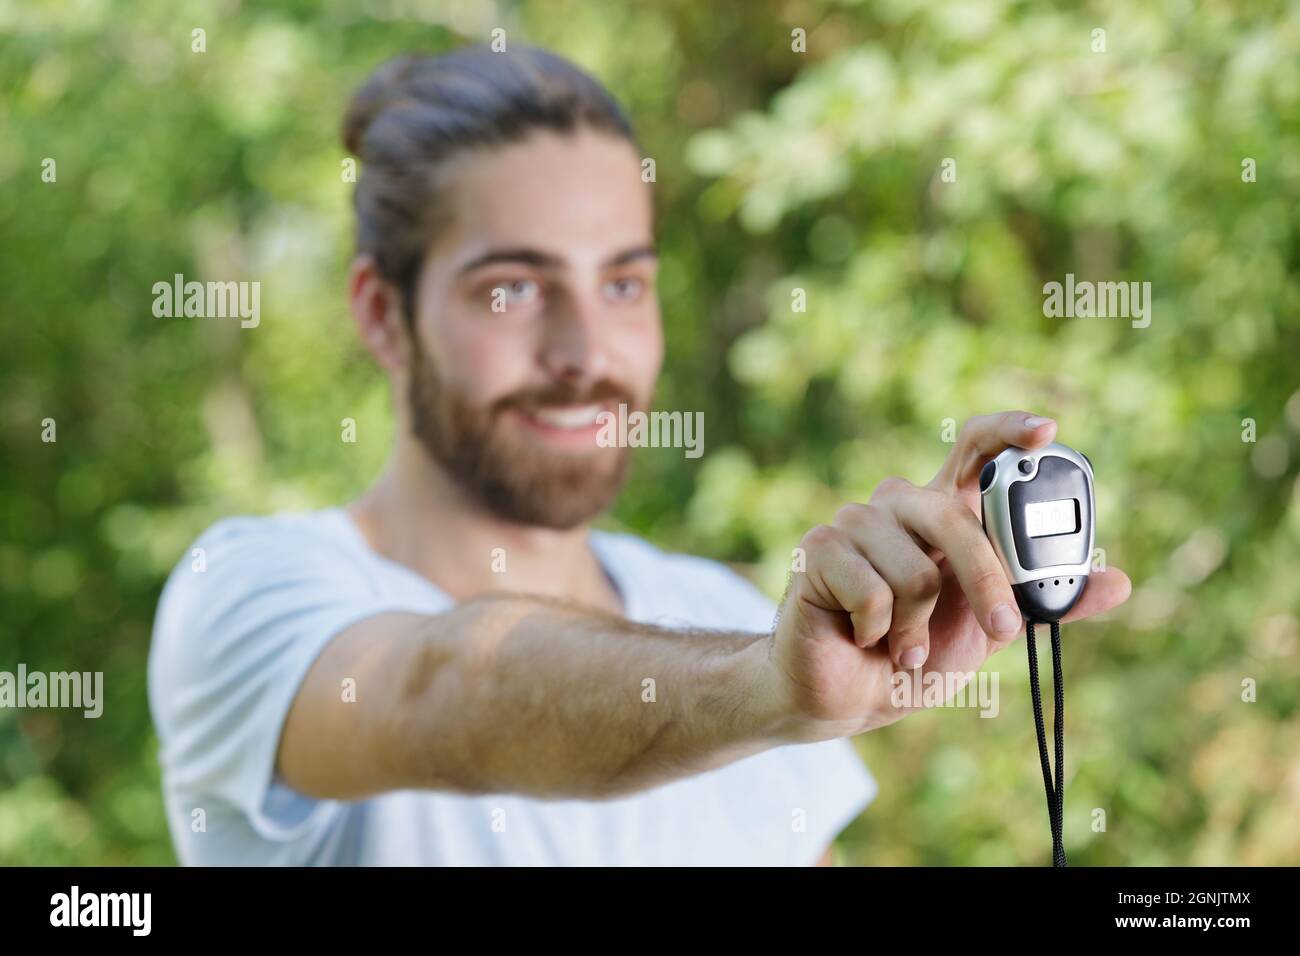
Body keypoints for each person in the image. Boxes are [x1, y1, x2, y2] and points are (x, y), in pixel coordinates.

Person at [147, 45, 1131, 866]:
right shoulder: (250, 590)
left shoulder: (728, 616)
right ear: (381, 312)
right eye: (510, 289)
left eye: (623, 284)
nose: (585, 354)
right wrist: (761, 688)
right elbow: (446, 683)